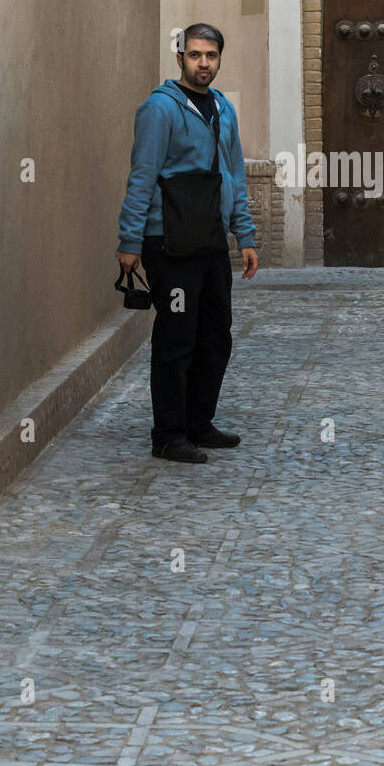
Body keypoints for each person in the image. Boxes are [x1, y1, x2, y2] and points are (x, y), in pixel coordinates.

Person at [116, 23, 258, 464]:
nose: (203, 63)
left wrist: (245, 233)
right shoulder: (159, 110)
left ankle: (199, 422)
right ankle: (169, 435)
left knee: (216, 336)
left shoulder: (222, 108)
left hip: (211, 243)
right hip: (168, 243)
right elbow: (142, 174)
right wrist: (130, 238)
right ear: (180, 57)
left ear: (219, 58)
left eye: (211, 56)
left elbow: (234, 174)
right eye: (195, 55)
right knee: (177, 338)